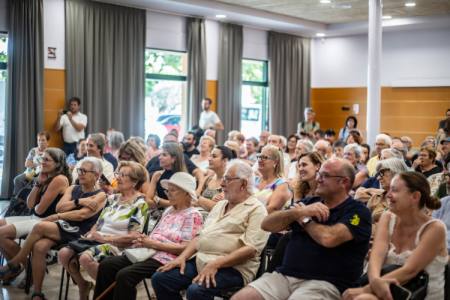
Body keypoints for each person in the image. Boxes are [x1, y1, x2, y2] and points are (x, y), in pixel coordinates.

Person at [232, 158, 371, 300]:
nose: (318, 179)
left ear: (344, 182)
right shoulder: (308, 204)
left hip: (326, 283)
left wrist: (304, 220)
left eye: (325, 176)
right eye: (319, 174)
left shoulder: (358, 211)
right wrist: (298, 212)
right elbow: (266, 224)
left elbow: (329, 239)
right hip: (284, 277)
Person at [151, 160, 270, 300]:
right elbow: (199, 236)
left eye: (227, 179)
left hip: (233, 268)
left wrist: (216, 264)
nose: (221, 184)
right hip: (201, 260)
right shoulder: (220, 205)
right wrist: (182, 258)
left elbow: (250, 249)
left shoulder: (257, 210)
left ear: (243, 184)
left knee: (196, 291)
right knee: (160, 279)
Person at [0, 157, 107, 300]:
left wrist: (56, 217)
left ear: (96, 175)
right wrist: (78, 201)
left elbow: (82, 215)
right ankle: (37, 292)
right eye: (79, 170)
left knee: (41, 225)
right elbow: (59, 207)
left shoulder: (100, 194)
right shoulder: (73, 188)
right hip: (62, 227)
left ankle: (14, 263)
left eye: (84, 171)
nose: (79, 173)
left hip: (79, 232)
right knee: (39, 246)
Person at [93, 172, 203, 300]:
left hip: (167, 258)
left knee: (125, 275)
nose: (168, 194)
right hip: (148, 252)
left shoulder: (193, 215)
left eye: (173, 191)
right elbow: (155, 235)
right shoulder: (168, 210)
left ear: (186, 194)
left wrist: (154, 244)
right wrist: (144, 240)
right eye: (168, 190)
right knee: (106, 265)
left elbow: (186, 248)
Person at [343, 172, 447, 300]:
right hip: (387, 291)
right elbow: (376, 255)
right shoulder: (387, 218)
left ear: (415, 197)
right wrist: (375, 281)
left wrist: (366, 289)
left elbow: (409, 271)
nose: (388, 195)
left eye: (395, 190)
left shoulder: (435, 228)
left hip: (417, 294)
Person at [58, 161, 148, 300]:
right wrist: (91, 233)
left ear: (135, 181)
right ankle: (84, 286)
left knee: (85, 258)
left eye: (123, 174)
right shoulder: (112, 198)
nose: (117, 177)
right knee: (64, 253)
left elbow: (133, 238)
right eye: (117, 173)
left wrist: (105, 239)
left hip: (119, 246)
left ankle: (111, 291)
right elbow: (98, 222)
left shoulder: (140, 204)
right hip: (98, 240)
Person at [0, 148, 72, 286]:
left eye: (46, 160)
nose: (42, 162)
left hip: (46, 223)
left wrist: (39, 189)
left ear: (57, 163)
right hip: (35, 218)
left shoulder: (58, 179)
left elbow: (40, 209)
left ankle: (28, 269)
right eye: (41, 159)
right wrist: (38, 183)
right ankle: (15, 268)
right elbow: (30, 204)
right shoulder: (45, 177)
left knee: (1, 233)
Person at [266, 152, 325, 273]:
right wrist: (299, 215)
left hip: (318, 229)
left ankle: (271, 275)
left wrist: (299, 214)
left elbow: (300, 213)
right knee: (270, 237)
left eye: (304, 165)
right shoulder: (301, 187)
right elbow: (294, 213)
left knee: (285, 238)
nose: (301, 169)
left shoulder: (325, 187)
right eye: (299, 165)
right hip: (297, 227)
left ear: (317, 166)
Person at [366, 158, 409, 239]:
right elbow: (360, 220)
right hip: (369, 242)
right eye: (378, 174)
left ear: (396, 172)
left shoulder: (412, 200)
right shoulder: (375, 198)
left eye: (382, 173)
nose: (378, 178)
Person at [147, 143, 189, 209]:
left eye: (164, 155)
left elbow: (180, 204)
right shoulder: (157, 175)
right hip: (159, 213)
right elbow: (148, 201)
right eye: (161, 154)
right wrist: (164, 205)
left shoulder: (183, 177)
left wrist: (158, 200)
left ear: (174, 158)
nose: (159, 157)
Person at [195, 146, 236, 213]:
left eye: (214, 156)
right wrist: (208, 202)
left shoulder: (229, 181)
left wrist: (198, 198)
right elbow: (192, 200)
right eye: (210, 156)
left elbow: (214, 207)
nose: (209, 159)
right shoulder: (207, 179)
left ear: (225, 161)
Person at [13, 131, 50, 195]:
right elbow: (27, 164)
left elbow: (49, 165)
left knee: (36, 180)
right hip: (29, 172)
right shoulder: (33, 150)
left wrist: (33, 165)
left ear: (48, 142)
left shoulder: (50, 152)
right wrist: (39, 164)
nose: (40, 142)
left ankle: (33, 201)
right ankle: (18, 200)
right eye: (39, 140)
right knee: (17, 179)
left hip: (42, 173)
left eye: (43, 140)